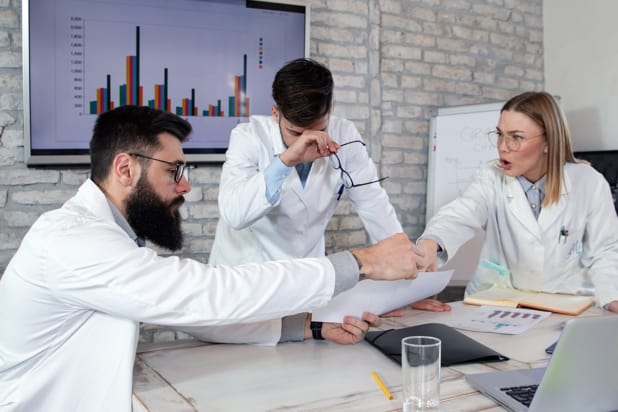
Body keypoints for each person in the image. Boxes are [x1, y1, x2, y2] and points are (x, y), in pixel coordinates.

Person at [0, 105, 427, 411]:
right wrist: (361, 262)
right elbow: (207, 294)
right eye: (173, 171)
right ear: (126, 169)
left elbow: (187, 311)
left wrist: (310, 327)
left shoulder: (109, 237)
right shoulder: (72, 242)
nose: (185, 187)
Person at [185, 58, 448, 347]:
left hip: (306, 287)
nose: (309, 141)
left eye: (318, 129)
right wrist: (287, 160)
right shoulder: (248, 137)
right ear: (276, 113)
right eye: (296, 133)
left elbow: (373, 203)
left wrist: (410, 279)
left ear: (330, 111)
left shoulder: (345, 136)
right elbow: (235, 214)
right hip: (247, 286)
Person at [418, 91, 618, 312]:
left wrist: (612, 297)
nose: (503, 146)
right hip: (499, 307)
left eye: (516, 137)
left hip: (564, 308)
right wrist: (431, 243)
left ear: (549, 142)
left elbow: (606, 250)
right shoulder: (491, 178)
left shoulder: (588, 182)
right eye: (500, 134)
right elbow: (461, 214)